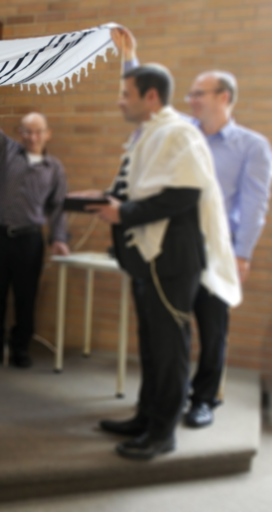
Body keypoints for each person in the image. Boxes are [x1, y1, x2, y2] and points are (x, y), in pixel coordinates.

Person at [75, 63, 241, 459]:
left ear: (150, 97)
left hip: (172, 259)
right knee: (151, 345)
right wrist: (98, 198)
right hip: (150, 260)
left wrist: (125, 214)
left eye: (125, 94)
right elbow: (136, 187)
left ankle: (163, 432)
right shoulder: (149, 134)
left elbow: (185, 194)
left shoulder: (178, 133)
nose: (120, 101)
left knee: (170, 348)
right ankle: (146, 416)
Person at [113, 28, 272, 429]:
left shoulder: (252, 147)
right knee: (170, 330)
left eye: (200, 93)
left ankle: (203, 400)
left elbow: (254, 205)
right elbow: (147, 102)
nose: (191, 99)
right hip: (175, 250)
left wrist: (242, 253)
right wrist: (130, 58)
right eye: (190, 94)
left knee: (212, 328)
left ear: (225, 98)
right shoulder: (182, 131)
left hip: (218, 250)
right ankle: (165, 401)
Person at [0, 87, 70, 368]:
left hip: (30, 241)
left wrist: (59, 238)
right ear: (21, 133)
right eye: (27, 131)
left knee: (26, 298)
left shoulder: (54, 169)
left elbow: (57, 208)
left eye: (38, 131)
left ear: (47, 134)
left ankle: (20, 350)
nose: (32, 136)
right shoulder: (8, 150)